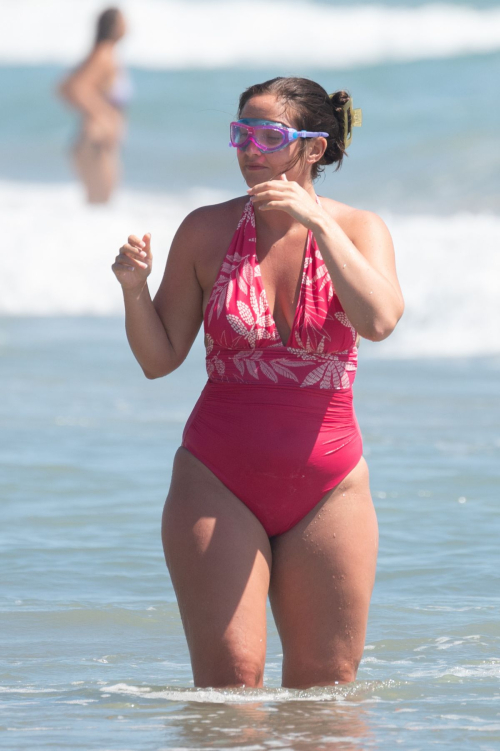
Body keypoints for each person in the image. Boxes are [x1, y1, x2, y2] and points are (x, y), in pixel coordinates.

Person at [112, 77, 404, 689]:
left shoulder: (360, 228)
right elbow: (159, 359)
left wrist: (318, 224)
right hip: (217, 476)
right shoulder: (205, 229)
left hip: (330, 483)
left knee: (326, 690)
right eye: (240, 134)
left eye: (268, 136)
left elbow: (379, 321)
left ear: (313, 149)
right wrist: (134, 291)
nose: (249, 149)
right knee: (229, 688)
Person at [58, 7, 130, 203]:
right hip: (96, 142)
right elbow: (75, 88)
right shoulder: (104, 55)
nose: (128, 26)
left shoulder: (100, 54)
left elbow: (63, 87)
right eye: (123, 21)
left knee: (98, 207)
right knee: (102, 205)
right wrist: (106, 116)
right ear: (114, 26)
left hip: (91, 140)